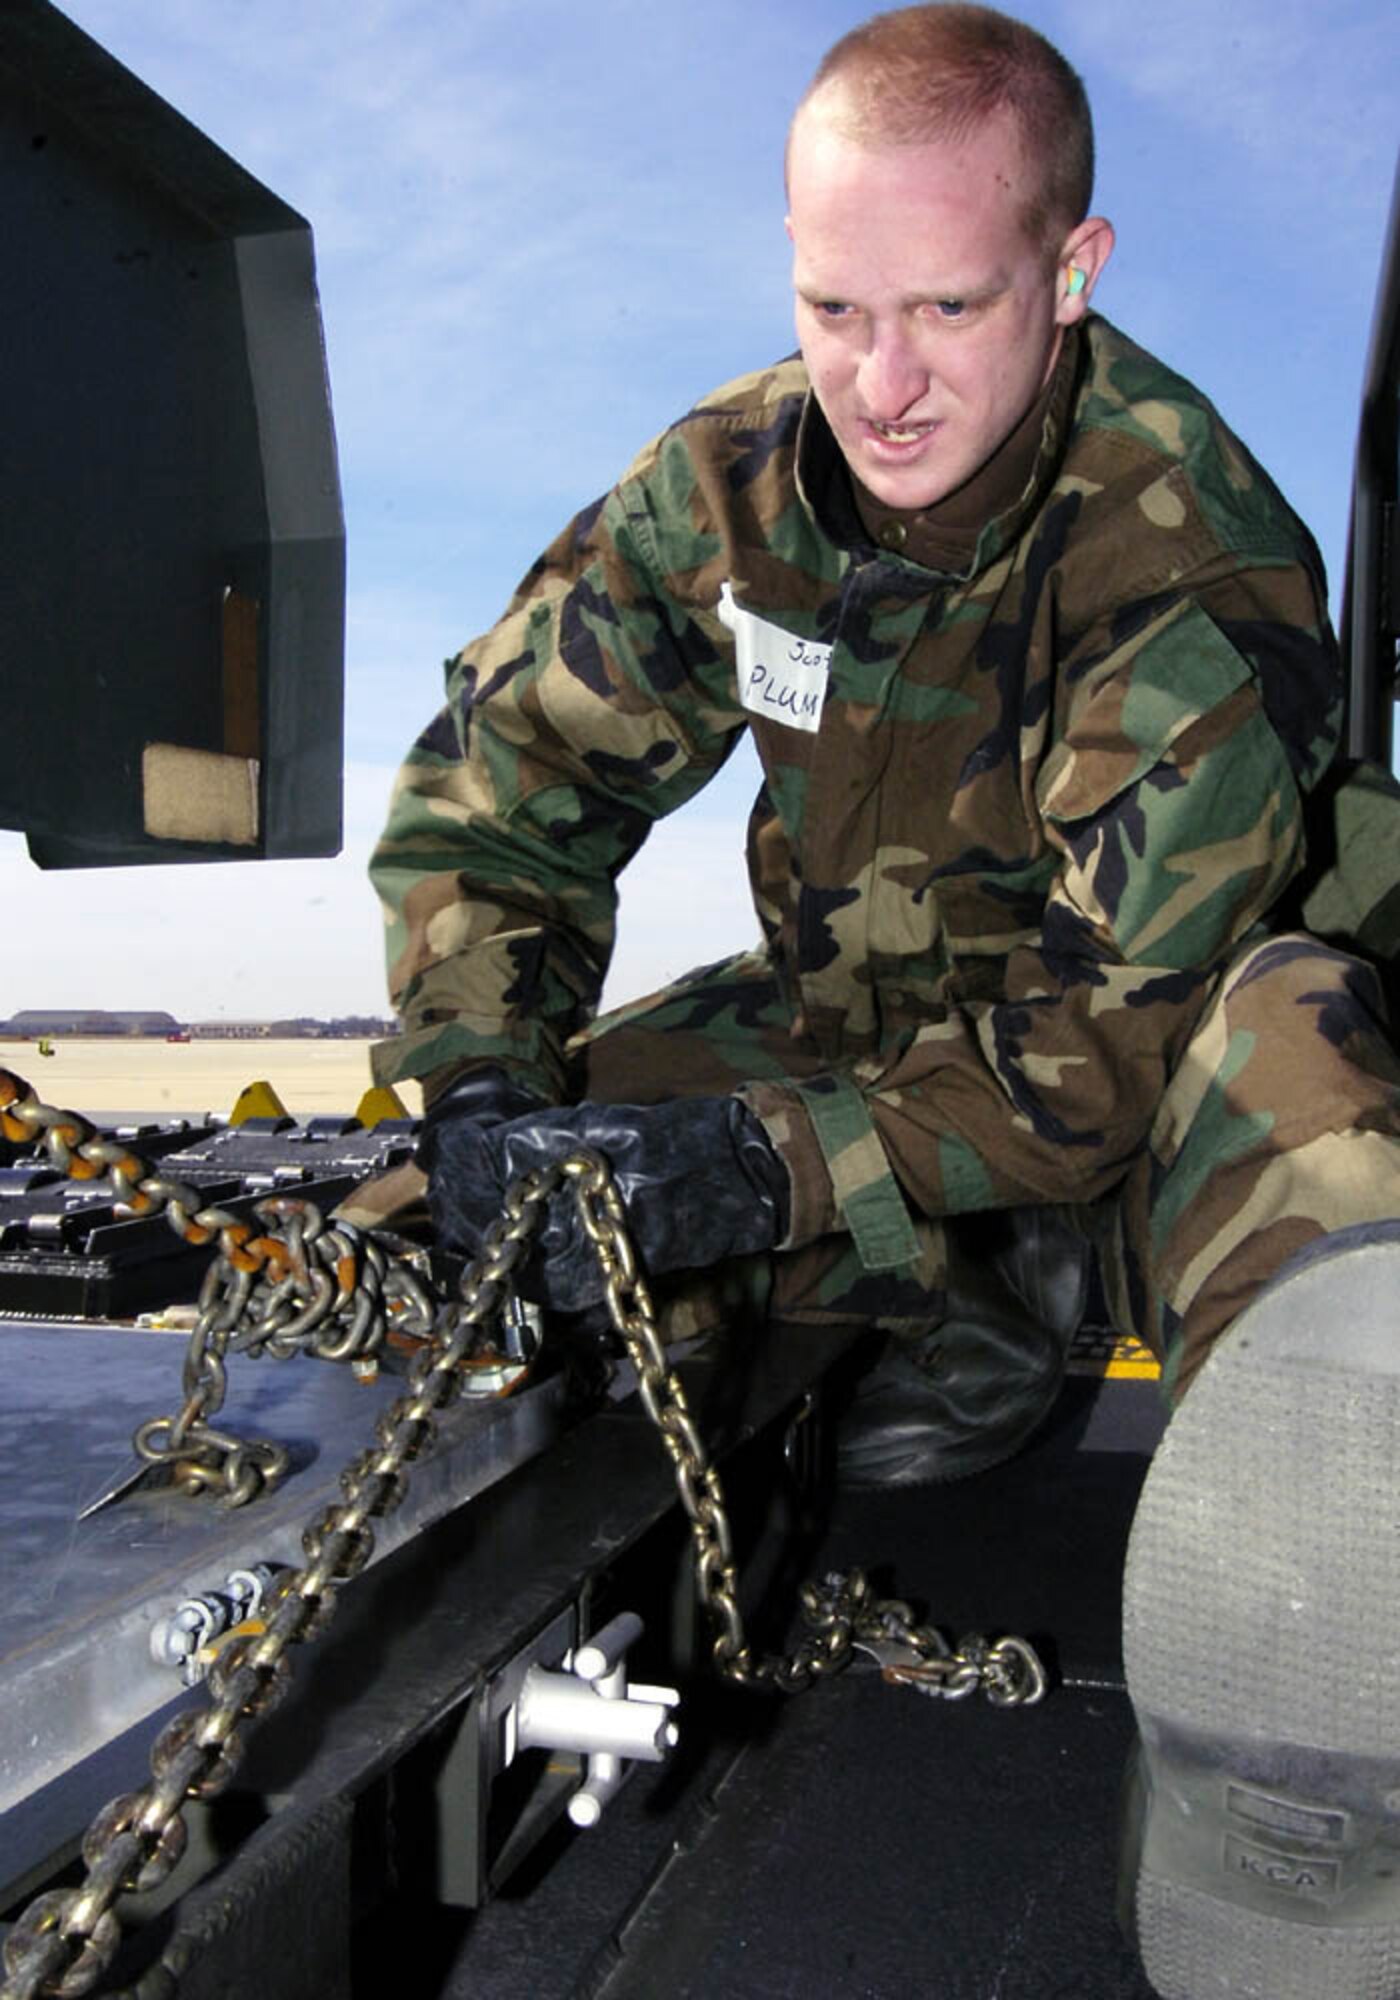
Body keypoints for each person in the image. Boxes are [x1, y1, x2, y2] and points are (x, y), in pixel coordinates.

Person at [367, 7, 1400, 1994]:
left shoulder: (1187, 555)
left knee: (1302, 1075)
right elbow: (499, 788)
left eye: (944, 304)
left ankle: (1306, 1786)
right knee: (468, 1207)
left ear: (1071, 273)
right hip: (869, 1056)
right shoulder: (732, 495)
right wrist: (484, 1088)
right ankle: (933, 1355)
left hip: (1140, 1087)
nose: (882, 380)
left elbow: (1101, 1057)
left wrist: (751, 1175)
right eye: (833, 306)